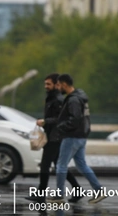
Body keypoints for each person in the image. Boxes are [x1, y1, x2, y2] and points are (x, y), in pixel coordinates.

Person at [51, 74, 107, 204]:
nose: (58, 88)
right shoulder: (80, 97)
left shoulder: (73, 100)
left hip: (72, 136)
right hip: (81, 136)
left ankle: (59, 196)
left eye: (59, 85)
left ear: (64, 84)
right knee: (81, 165)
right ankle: (99, 190)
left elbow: (74, 120)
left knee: (61, 165)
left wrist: (60, 127)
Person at [27, 73, 83, 202]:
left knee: (45, 165)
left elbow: (61, 119)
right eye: (45, 84)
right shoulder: (52, 98)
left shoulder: (58, 100)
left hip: (55, 137)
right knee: (58, 165)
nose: (46, 86)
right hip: (52, 135)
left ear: (56, 85)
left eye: (49, 84)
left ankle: (40, 194)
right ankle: (78, 190)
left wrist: (45, 121)